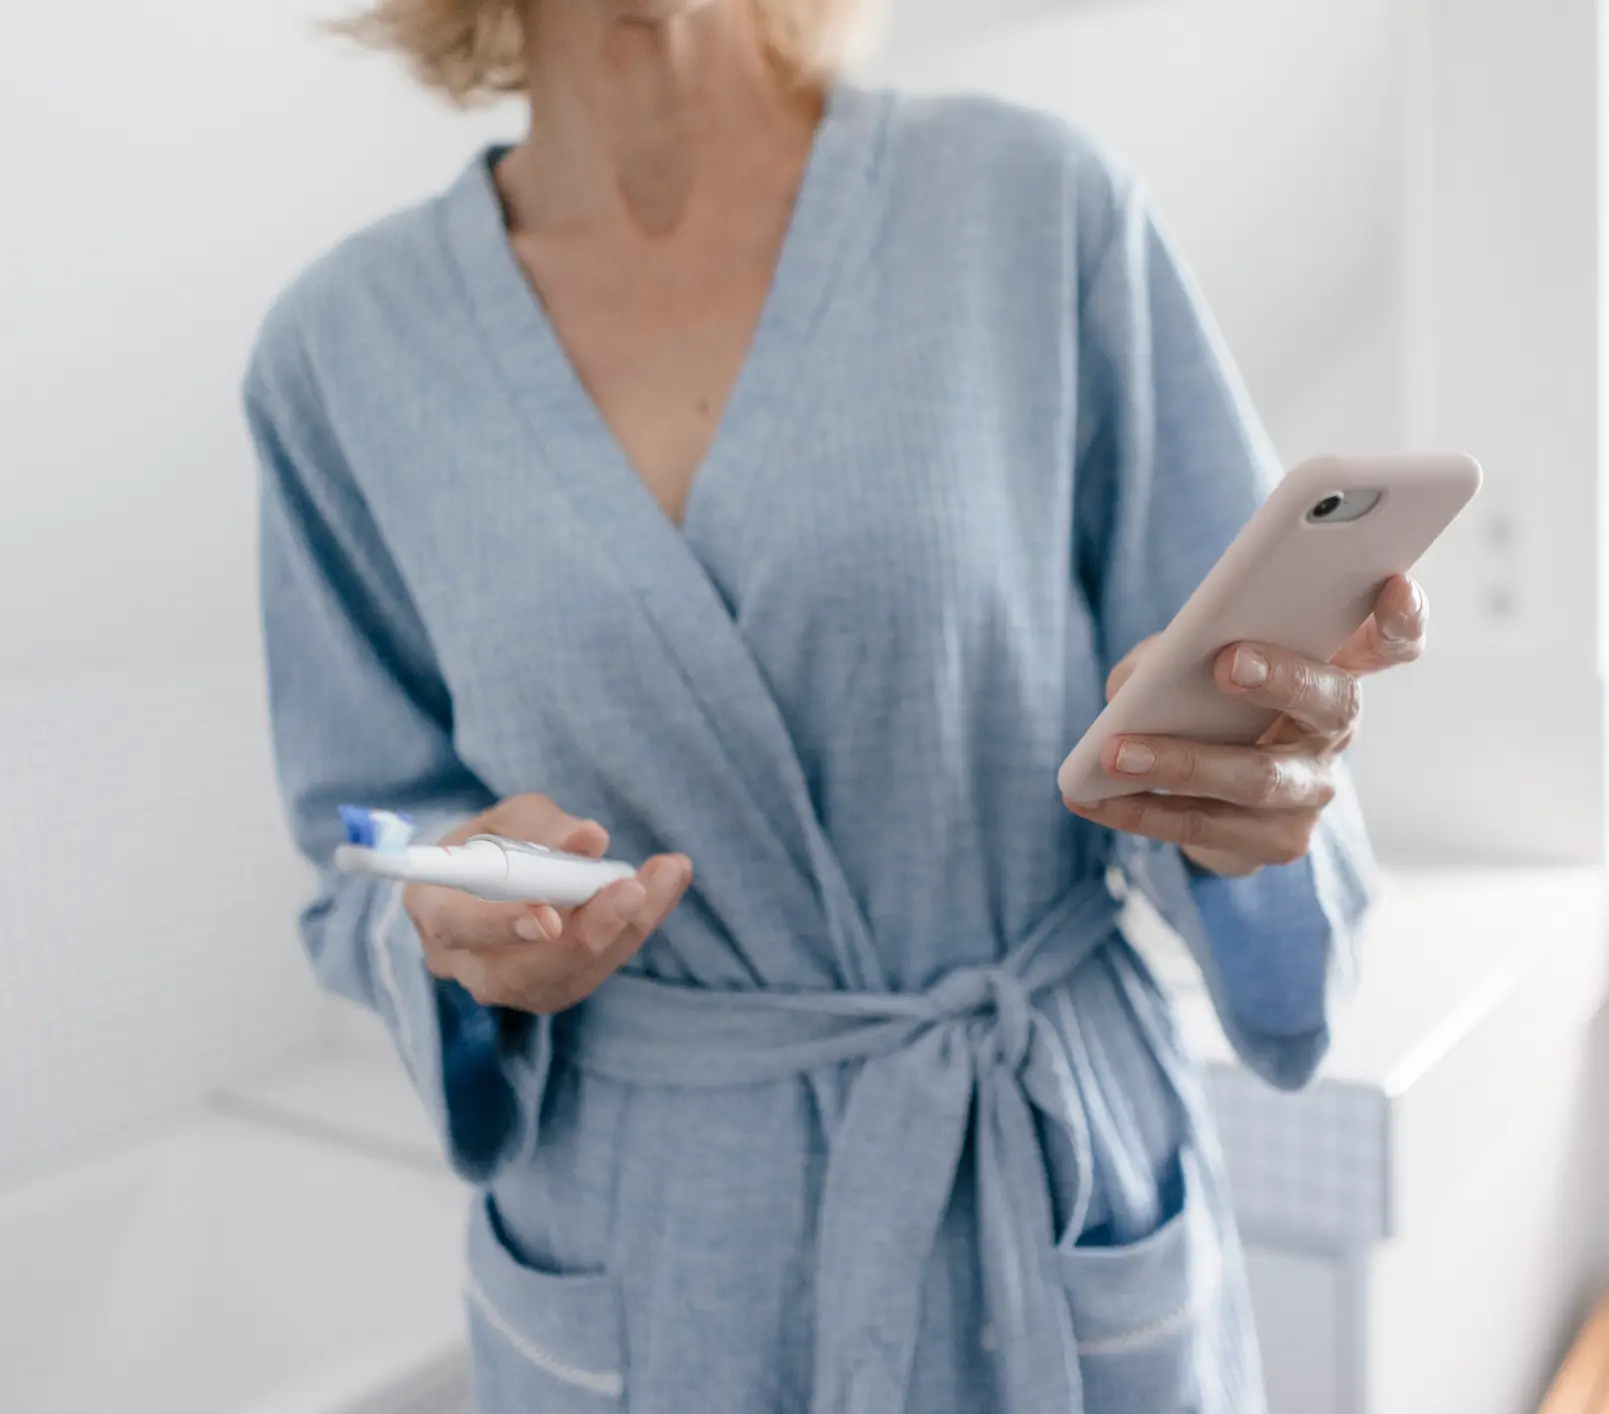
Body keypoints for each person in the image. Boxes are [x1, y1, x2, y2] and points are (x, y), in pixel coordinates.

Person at [248, 1, 1428, 1409]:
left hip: (1039, 1184)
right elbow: (361, 842)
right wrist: (450, 922)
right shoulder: (342, 351)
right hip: (647, 1253)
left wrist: (1255, 811)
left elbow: (1243, 744)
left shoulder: (1038, 210)